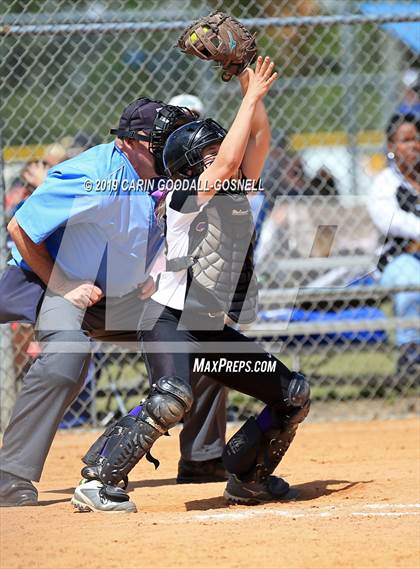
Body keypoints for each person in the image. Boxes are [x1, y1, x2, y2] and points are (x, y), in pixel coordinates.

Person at [72, 56, 310, 514]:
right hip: (167, 320)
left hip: (208, 330)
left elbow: (257, 137)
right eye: (212, 154)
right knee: (172, 397)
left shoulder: (238, 187)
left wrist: (248, 80)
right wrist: (252, 96)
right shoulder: (182, 198)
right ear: (186, 168)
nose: (228, 160)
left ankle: (248, 476)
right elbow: (220, 168)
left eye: (223, 151)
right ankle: (98, 480)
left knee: (291, 394)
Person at [0, 99, 227, 508]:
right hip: (48, 279)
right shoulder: (93, 174)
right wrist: (64, 282)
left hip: (115, 291)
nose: (171, 149)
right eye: (161, 141)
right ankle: (9, 474)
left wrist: (154, 275)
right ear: (129, 143)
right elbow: (20, 227)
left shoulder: (162, 177)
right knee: (67, 355)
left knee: (203, 334)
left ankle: (202, 458)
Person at [367, 112, 420, 377]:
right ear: (391, 147)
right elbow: (392, 221)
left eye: (416, 139)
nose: (413, 145)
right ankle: (410, 354)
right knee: (411, 277)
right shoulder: (384, 183)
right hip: (396, 261)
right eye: (405, 140)